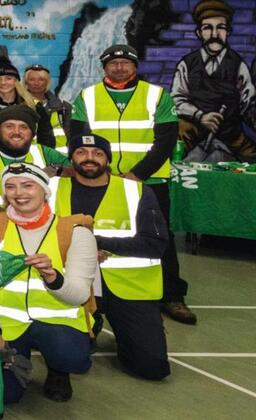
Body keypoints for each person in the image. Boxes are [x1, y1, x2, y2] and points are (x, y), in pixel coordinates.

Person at [72, 45, 196, 325]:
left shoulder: (156, 95)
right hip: (99, 180)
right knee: (92, 233)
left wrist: (136, 174)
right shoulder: (87, 96)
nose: (119, 67)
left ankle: (172, 295)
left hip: (148, 182)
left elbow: (165, 140)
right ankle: (94, 294)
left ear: (135, 67)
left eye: (125, 63)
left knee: (159, 237)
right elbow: (77, 138)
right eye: (113, 63)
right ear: (104, 67)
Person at [0, 162, 98, 404]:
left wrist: (53, 277)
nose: (19, 193)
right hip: (7, 323)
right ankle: (14, 364)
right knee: (7, 396)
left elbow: (80, 295)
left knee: (70, 356)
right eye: (10, 187)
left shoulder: (75, 232)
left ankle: (58, 370)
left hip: (57, 322)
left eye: (28, 186)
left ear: (44, 191)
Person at [52, 134, 171, 381]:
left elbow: (156, 243)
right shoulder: (51, 189)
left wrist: (100, 244)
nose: (89, 159)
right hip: (71, 285)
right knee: (70, 356)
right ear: (71, 157)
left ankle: (141, 328)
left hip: (127, 287)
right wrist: (83, 251)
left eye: (97, 153)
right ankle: (87, 325)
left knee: (151, 368)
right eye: (81, 153)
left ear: (107, 159)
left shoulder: (137, 191)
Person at [0, 104, 70, 240]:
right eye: (9, 126)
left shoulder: (43, 152)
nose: (16, 132)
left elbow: (81, 170)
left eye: (23, 127)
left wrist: (57, 170)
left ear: (33, 133)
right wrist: (26, 230)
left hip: (32, 240)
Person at [173, 0, 256, 162]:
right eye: (207, 28)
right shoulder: (187, 64)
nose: (214, 34)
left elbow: (248, 103)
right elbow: (177, 100)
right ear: (199, 33)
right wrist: (200, 116)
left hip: (230, 133)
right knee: (173, 156)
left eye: (220, 28)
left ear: (228, 32)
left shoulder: (238, 65)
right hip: (193, 130)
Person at [24, 64, 71, 150]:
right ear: (26, 82)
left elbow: (71, 135)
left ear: (47, 82)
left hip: (60, 157)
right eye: (32, 79)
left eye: (41, 79)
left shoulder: (63, 107)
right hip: (32, 156)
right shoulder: (20, 107)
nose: (36, 83)